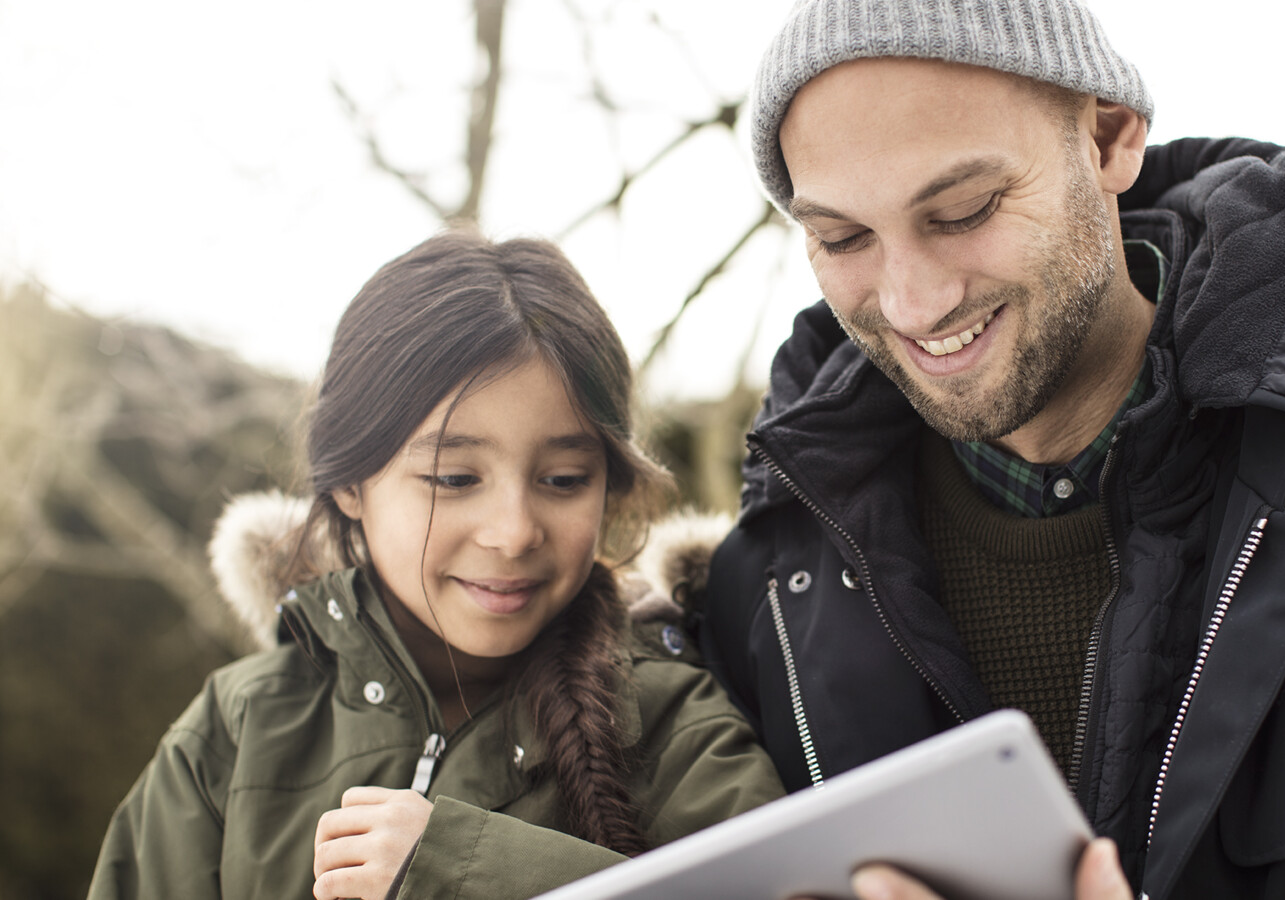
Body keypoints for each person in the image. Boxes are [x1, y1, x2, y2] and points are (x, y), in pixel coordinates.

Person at [696, 0, 1285, 897]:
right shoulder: (769, 580)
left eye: (964, 209)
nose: (912, 302)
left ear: (1108, 138)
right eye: (841, 237)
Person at [87, 231, 783, 900]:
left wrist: (464, 872)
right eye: (453, 479)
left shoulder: (676, 725)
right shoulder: (236, 731)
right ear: (350, 485)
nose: (513, 533)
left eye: (565, 478)